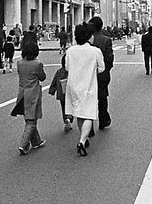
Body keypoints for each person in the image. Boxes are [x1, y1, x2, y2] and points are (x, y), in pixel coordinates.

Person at [64, 23, 105, 157]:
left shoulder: (70, 51)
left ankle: (84, 137)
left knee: (79, 113)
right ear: (88, 37)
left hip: (74, 86)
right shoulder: (95, 51)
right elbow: (101, 68)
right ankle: (82, 141)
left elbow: (67, 67)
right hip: (88, 85)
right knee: (88, 114)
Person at [12, 42, 46, 155]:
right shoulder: (37, 64)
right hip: (33, 94)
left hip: (22, 92)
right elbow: (42, 77)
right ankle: (23, 144)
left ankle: (36, 141)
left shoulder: (20, 63)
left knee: (29, 118)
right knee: (31, 121)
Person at [88, 16, 114, 130]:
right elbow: (109, 59)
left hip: (88, 75)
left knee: (89, 99)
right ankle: (103, 119)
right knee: (102, 97)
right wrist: (106, 69)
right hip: (102, 74)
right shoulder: (106, 40)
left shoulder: (86, 40)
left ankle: (89, 127)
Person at [48, 53, 71, 132]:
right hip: (71, 93)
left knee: (63, 107)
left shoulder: (59, 71)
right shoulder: (72, 71)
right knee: (72, 107)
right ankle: (70, 118)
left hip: (61, 93)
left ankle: (66, 119)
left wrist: (52, 90)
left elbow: (54, 81)